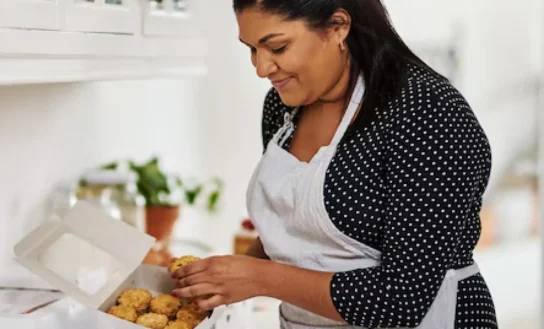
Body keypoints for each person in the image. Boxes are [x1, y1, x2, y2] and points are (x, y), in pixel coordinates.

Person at [170, 1, 497, 328]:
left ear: (338, 26)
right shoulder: (283, 107)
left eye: (277, 47)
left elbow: (401, 301)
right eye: (251, 49)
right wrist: (218, 276)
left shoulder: (426, 114)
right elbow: (296, 231)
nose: (261, 67)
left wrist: (259, 278)